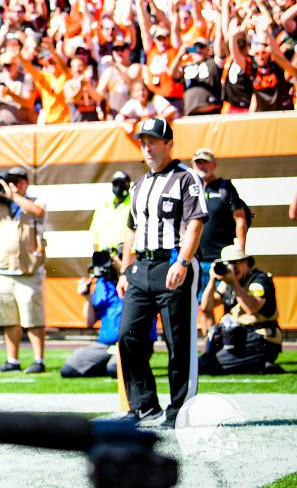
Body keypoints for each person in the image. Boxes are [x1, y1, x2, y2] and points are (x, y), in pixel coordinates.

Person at [118, 117, 208, 427]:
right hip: (140, 268)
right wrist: (123, 270)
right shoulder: (140, 183)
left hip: (172, 262)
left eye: (153, 142)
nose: (147, 148)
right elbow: (131, 229)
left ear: (169, 143)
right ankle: (145, 405)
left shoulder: (187, 178)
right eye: (143, 142)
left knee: (177, 341)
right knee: (126, 335)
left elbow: (196, 222)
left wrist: (182, 261)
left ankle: (180, 411)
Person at [0, 167, 49, 375]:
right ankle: (12, 359)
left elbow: (38, 213)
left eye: (18, 182)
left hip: (28, 270)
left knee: (33, 318)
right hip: (2, 269)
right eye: (11, 182)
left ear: (26, 183)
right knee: (8, 318)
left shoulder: (35, 200)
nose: (14, 185)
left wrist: (13, 195)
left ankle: (38, 359)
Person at [200, 245, 283, 375]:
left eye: (234, 263)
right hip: (237, 339)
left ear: (246, 263)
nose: (231, 267)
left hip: (261, 339)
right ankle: (256, 364)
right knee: (203, 362)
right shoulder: (227, 283)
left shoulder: (259, 280)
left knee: (212, 366)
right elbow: (206, 307)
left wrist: (234, 284)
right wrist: (212, 281)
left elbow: (252, 308)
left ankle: (260, 363)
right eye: (226, 264)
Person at [191, 148, 249, 327]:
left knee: (229, 303)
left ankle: (230, 347)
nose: (202, 166)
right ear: (193, 165)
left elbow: (240, 218)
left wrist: (240, 251)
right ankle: (211, 349)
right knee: (204, 306)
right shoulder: (191, 190)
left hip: (223, 259)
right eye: (198, 162)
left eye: (205, 162)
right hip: (198, 260)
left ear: (214, 164)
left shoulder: (225, 187)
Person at [61, 249, 127, 379]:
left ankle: (115, 364)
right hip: (104, 343)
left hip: (129, 342)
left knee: (115, 369)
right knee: (69, 370)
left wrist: (123, 270)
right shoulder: (102, 284)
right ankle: (108, 363)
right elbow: (89, 322)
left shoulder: (133, 279)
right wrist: (87, 297)